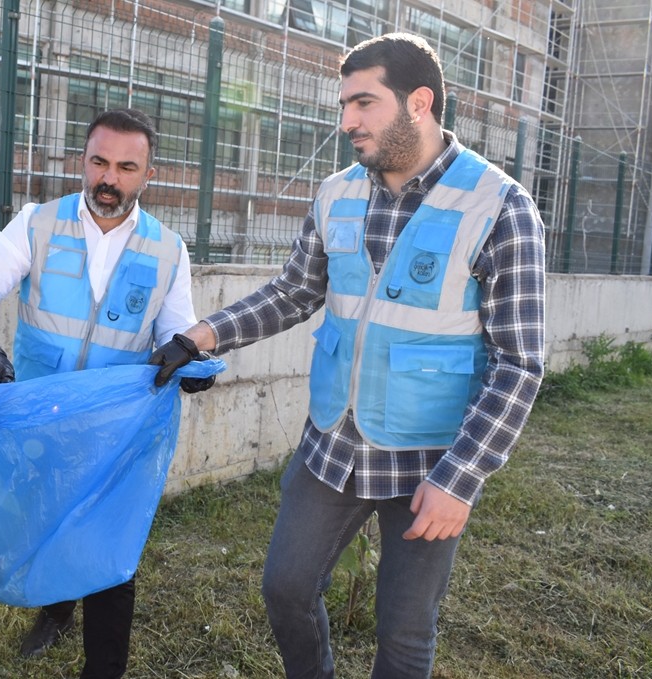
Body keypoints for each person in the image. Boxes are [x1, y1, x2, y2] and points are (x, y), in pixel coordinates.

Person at [150, 33, 546, 678]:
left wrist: (461, 479)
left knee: (406, 631)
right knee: (285, 587)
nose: (346, 122)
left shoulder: (499, 206)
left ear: (419, 102)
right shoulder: (337, 194)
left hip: (430, 458)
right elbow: (294, 291)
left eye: (363, 103)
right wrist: (202, 336)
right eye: (344, 104)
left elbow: (518, 361)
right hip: (332, 442)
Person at [0, 107, 212, 679]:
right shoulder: (37, 225)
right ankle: (54, 614)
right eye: (98, 162)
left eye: (125, 167)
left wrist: (191, 359)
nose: (108, 179)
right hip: (45, 418)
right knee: (47, 517)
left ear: (148, 174)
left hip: (119, 429)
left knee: (108, 552)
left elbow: (177, 330)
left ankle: (104, 668)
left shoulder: (168, 250)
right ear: (82, 162)